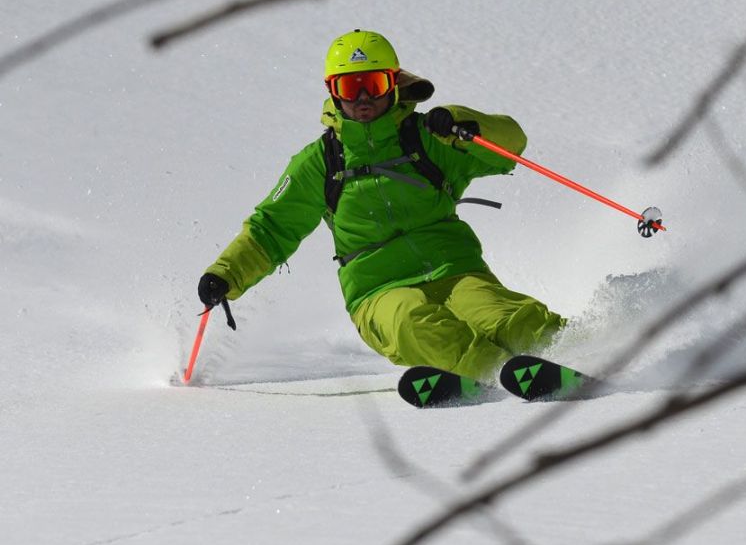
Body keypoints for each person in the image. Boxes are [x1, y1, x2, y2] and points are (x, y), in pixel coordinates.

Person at [198, 29, 565, 380]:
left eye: (373, 85)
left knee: (514, 320)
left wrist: (466, 125)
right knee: (414, 323)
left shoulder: (428, 139)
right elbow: (272, 228)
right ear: (332, 91)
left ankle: (576, 356)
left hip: (456, 271)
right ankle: (496, 374)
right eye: (349, 87)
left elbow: (510, 148)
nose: (362, 99)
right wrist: (225, 274)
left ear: (393, 83)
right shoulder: (321, 162)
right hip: (379, 291)